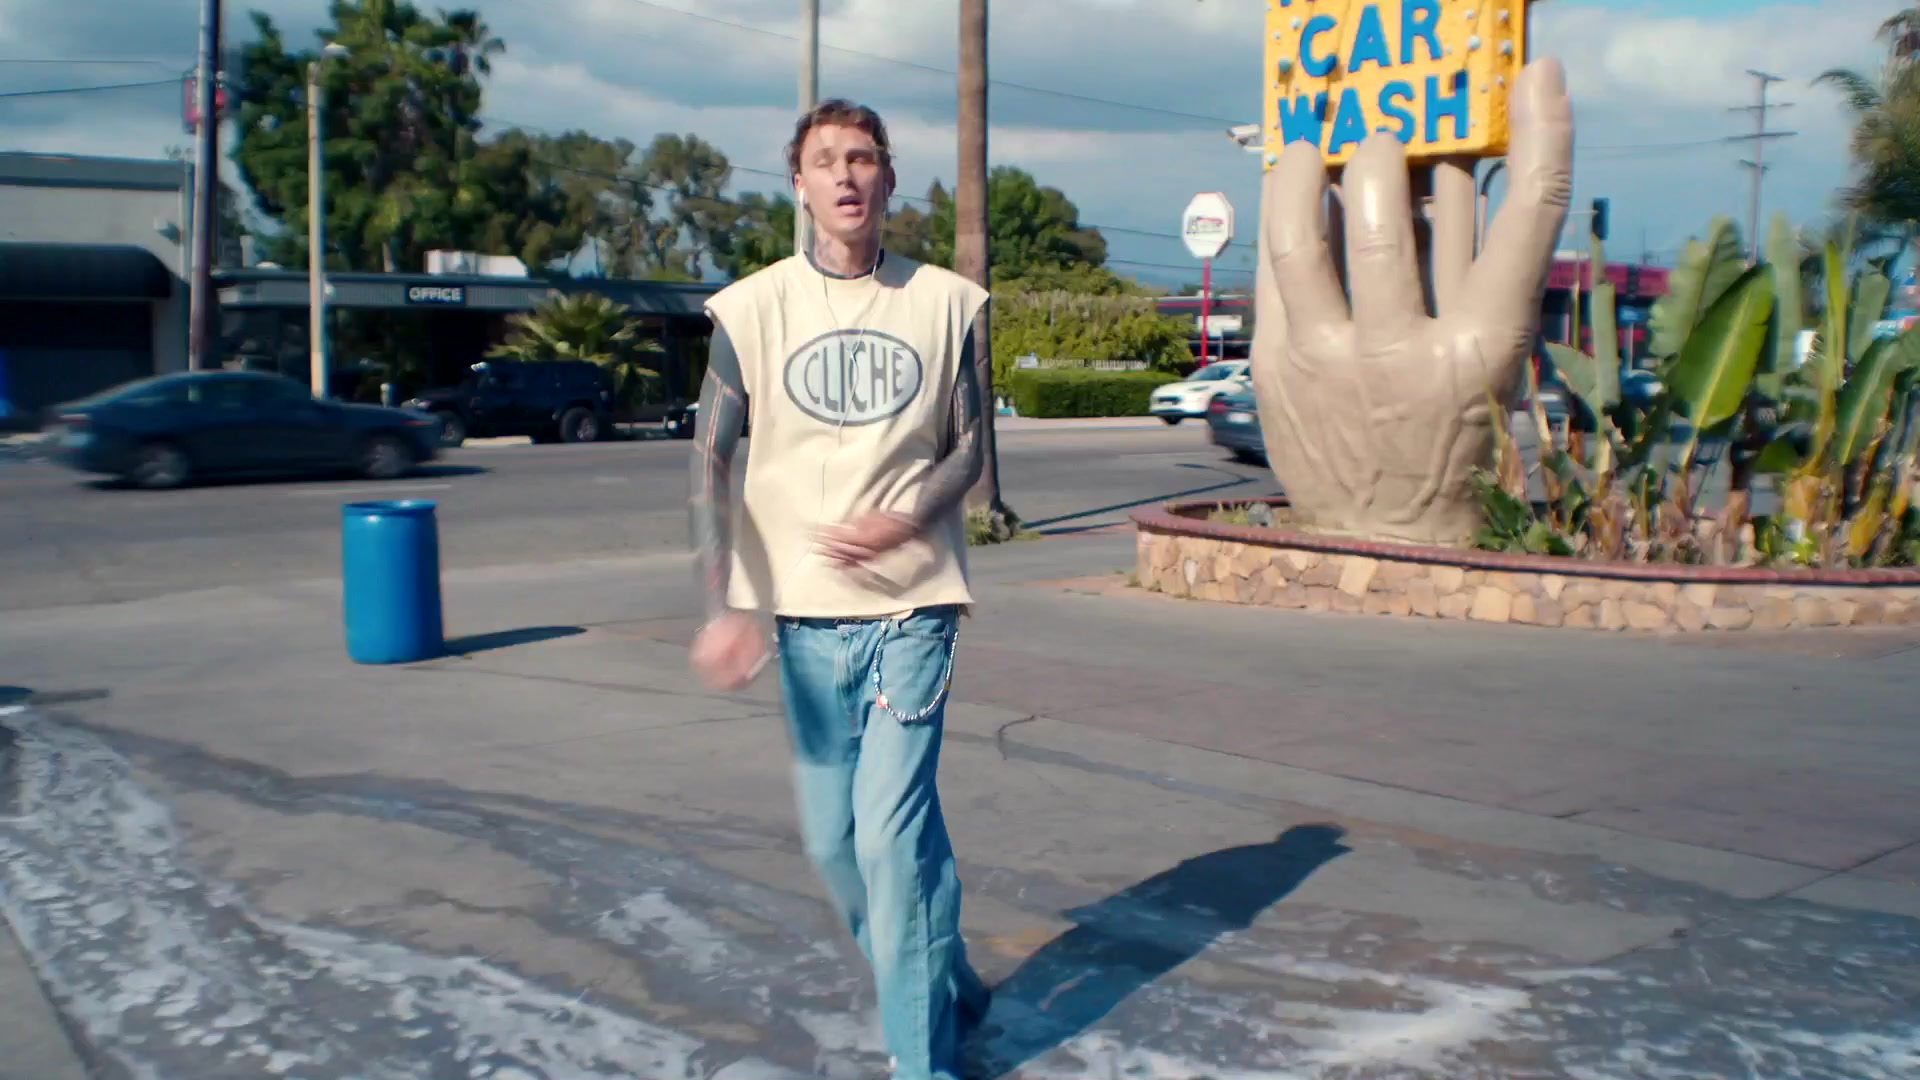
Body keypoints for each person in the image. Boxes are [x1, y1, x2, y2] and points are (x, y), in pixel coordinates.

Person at [686, 98, 993, 1080]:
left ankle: (922, 1061)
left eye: (864, 158)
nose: (848, 175)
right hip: (805, 625)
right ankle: (947, 983)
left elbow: (971, 447)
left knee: (892, 851)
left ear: (889, 178)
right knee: (834, 846)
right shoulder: (751, 310)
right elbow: (709, 460)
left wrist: (905, 518)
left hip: (912, 613)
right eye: (827, 161)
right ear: (800, 185)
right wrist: (724, 605)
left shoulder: (946, 304)